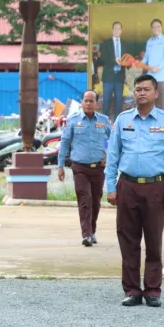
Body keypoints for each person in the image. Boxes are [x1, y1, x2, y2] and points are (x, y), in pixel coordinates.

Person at [104, 74, 164, 308]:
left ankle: (152, 290)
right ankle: (132, 290)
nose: (141, 93)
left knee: (153, 240)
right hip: (126, 186)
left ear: (156, 93)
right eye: (138, 89)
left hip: (156, 187)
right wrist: (110, 187)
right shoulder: (123, 120)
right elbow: (112, 157)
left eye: (146, 89)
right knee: (128, 240)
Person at [58, 90, 110, 247]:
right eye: (85, 100)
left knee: (95, 201)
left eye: (91, 101)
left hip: (98, 168)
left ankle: (92, 231)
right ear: (81, 102)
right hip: (80, 167)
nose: (88, 103)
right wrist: (60, 166)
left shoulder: (104, 120)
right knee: (85, 199)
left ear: (97, 103)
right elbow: (65, 143)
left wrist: (109, 157)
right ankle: (86, 234)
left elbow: (115, 139)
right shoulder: (73, 120)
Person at [141, 19, 164, 111]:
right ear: (152, 29)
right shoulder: (149, 41)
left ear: (161, 28)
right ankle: (152, 125)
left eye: (158, 26)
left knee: (163, 105)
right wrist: (139, 64)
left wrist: (158, 67)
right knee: (151, 104)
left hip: (162, 78)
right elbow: (146, 58)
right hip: (150, 79)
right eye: (154, 27)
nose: (156, 28)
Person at [100, 22, 128, 119]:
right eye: (115, 28)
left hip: (120, 76)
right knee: (106, 100)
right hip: (108, 76)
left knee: (119, 101)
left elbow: (127, 59)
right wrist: (114, 60)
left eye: (119, 28)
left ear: (121, 31)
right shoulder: (105, 43)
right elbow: (103, 57)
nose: (117, 30)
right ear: (112, 30)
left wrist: (129, 64)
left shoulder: (125, 44)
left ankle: (117, 123)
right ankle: (104, 123)